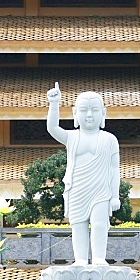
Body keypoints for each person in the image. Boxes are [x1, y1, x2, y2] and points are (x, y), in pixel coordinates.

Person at [46, 82, 120, 266]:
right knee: (78, 224)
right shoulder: (72, 137)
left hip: (101, 190)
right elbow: (52, 129)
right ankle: (80, 259)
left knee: (99, 224)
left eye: (94, 110)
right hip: (77, 188)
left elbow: (114, 169)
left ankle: (98, 258)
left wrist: (115, 196)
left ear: (103, 113)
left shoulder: (109, 139)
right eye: (84, 110)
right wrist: (54, 104)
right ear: (75, 114)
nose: (89, 115)